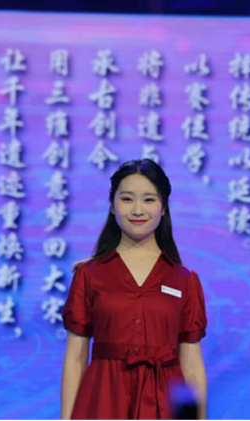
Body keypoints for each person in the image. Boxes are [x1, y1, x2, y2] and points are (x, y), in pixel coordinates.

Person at [60, 159, 208, 420]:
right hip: (103, 401)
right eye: (127, 199)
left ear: (164, 207)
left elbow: (192, 366)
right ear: (112, 205)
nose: (138, 210)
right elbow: (76, 357)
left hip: (165, 406)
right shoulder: (89, 275)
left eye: (149, 200)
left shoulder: (184, 280)